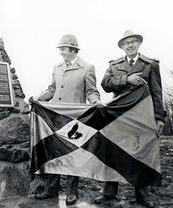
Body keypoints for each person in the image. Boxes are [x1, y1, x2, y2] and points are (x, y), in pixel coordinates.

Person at [95, 30, 165, 208]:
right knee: (113, 153)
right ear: (122, 46)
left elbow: (157, 93)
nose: (131, 45)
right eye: (127, 43)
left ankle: (142, 196)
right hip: (118, 118)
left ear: (139, 44)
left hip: (142, 119)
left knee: (141, 154)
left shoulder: (151, 65)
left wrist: (159, 118)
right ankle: (109, 194)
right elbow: (105, 85)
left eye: (134, 42)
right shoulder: (114, 65)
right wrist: (127, 79)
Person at [32, 34, 100, 205]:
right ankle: (51, 189)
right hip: (55, 118)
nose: (61, 52)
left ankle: (72, 192)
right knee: (54, 154)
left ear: (73, 49)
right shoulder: (57, 67)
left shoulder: (87, 67)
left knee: (73, 155)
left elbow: (91, 91)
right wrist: (39, 98)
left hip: (75, 120)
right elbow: (52, 89)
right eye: (60, 49)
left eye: (63, 49)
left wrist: (96, 102)